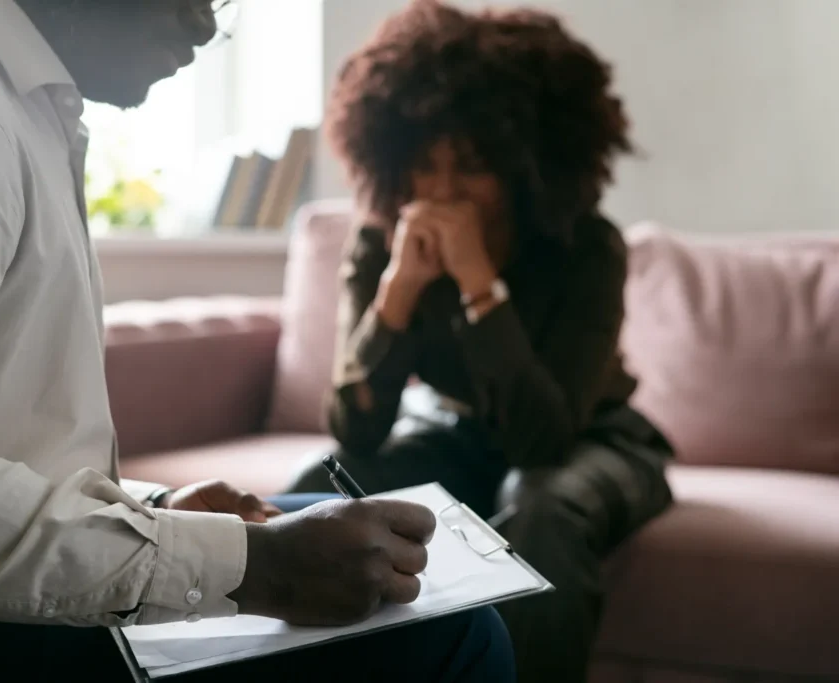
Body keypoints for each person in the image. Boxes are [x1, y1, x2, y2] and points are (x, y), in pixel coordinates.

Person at [0, 1, 516, 682]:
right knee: (447, 630)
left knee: (386, 555)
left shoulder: (7, 102)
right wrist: (248, 566)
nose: (206, 24)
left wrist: (152, 513)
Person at [285, 3, 675, 682]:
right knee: (317, 488)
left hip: (595, 437)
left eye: (470, 167)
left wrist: (478, 283)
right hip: (453, 429)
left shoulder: (586, 246)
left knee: (539, 506)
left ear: (525, 167)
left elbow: (543, 440)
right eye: (422, 166)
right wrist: (400, 289)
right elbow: (355, 425)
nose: (439, 191)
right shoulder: (382, 239)